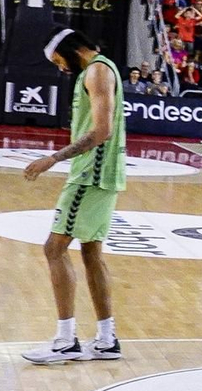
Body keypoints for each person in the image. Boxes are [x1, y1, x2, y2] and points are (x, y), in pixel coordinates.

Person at [20, 29, 125, 364]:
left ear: (72, 50)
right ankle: (107, 340)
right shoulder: (103, 69)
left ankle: (66, 340)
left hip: (90, 174)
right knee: (92, 254)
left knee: (54, 248)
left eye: (59, 60)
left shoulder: (96, 70)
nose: (60, 68)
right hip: (104, 174)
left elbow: (101, 130)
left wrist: (54, 158)